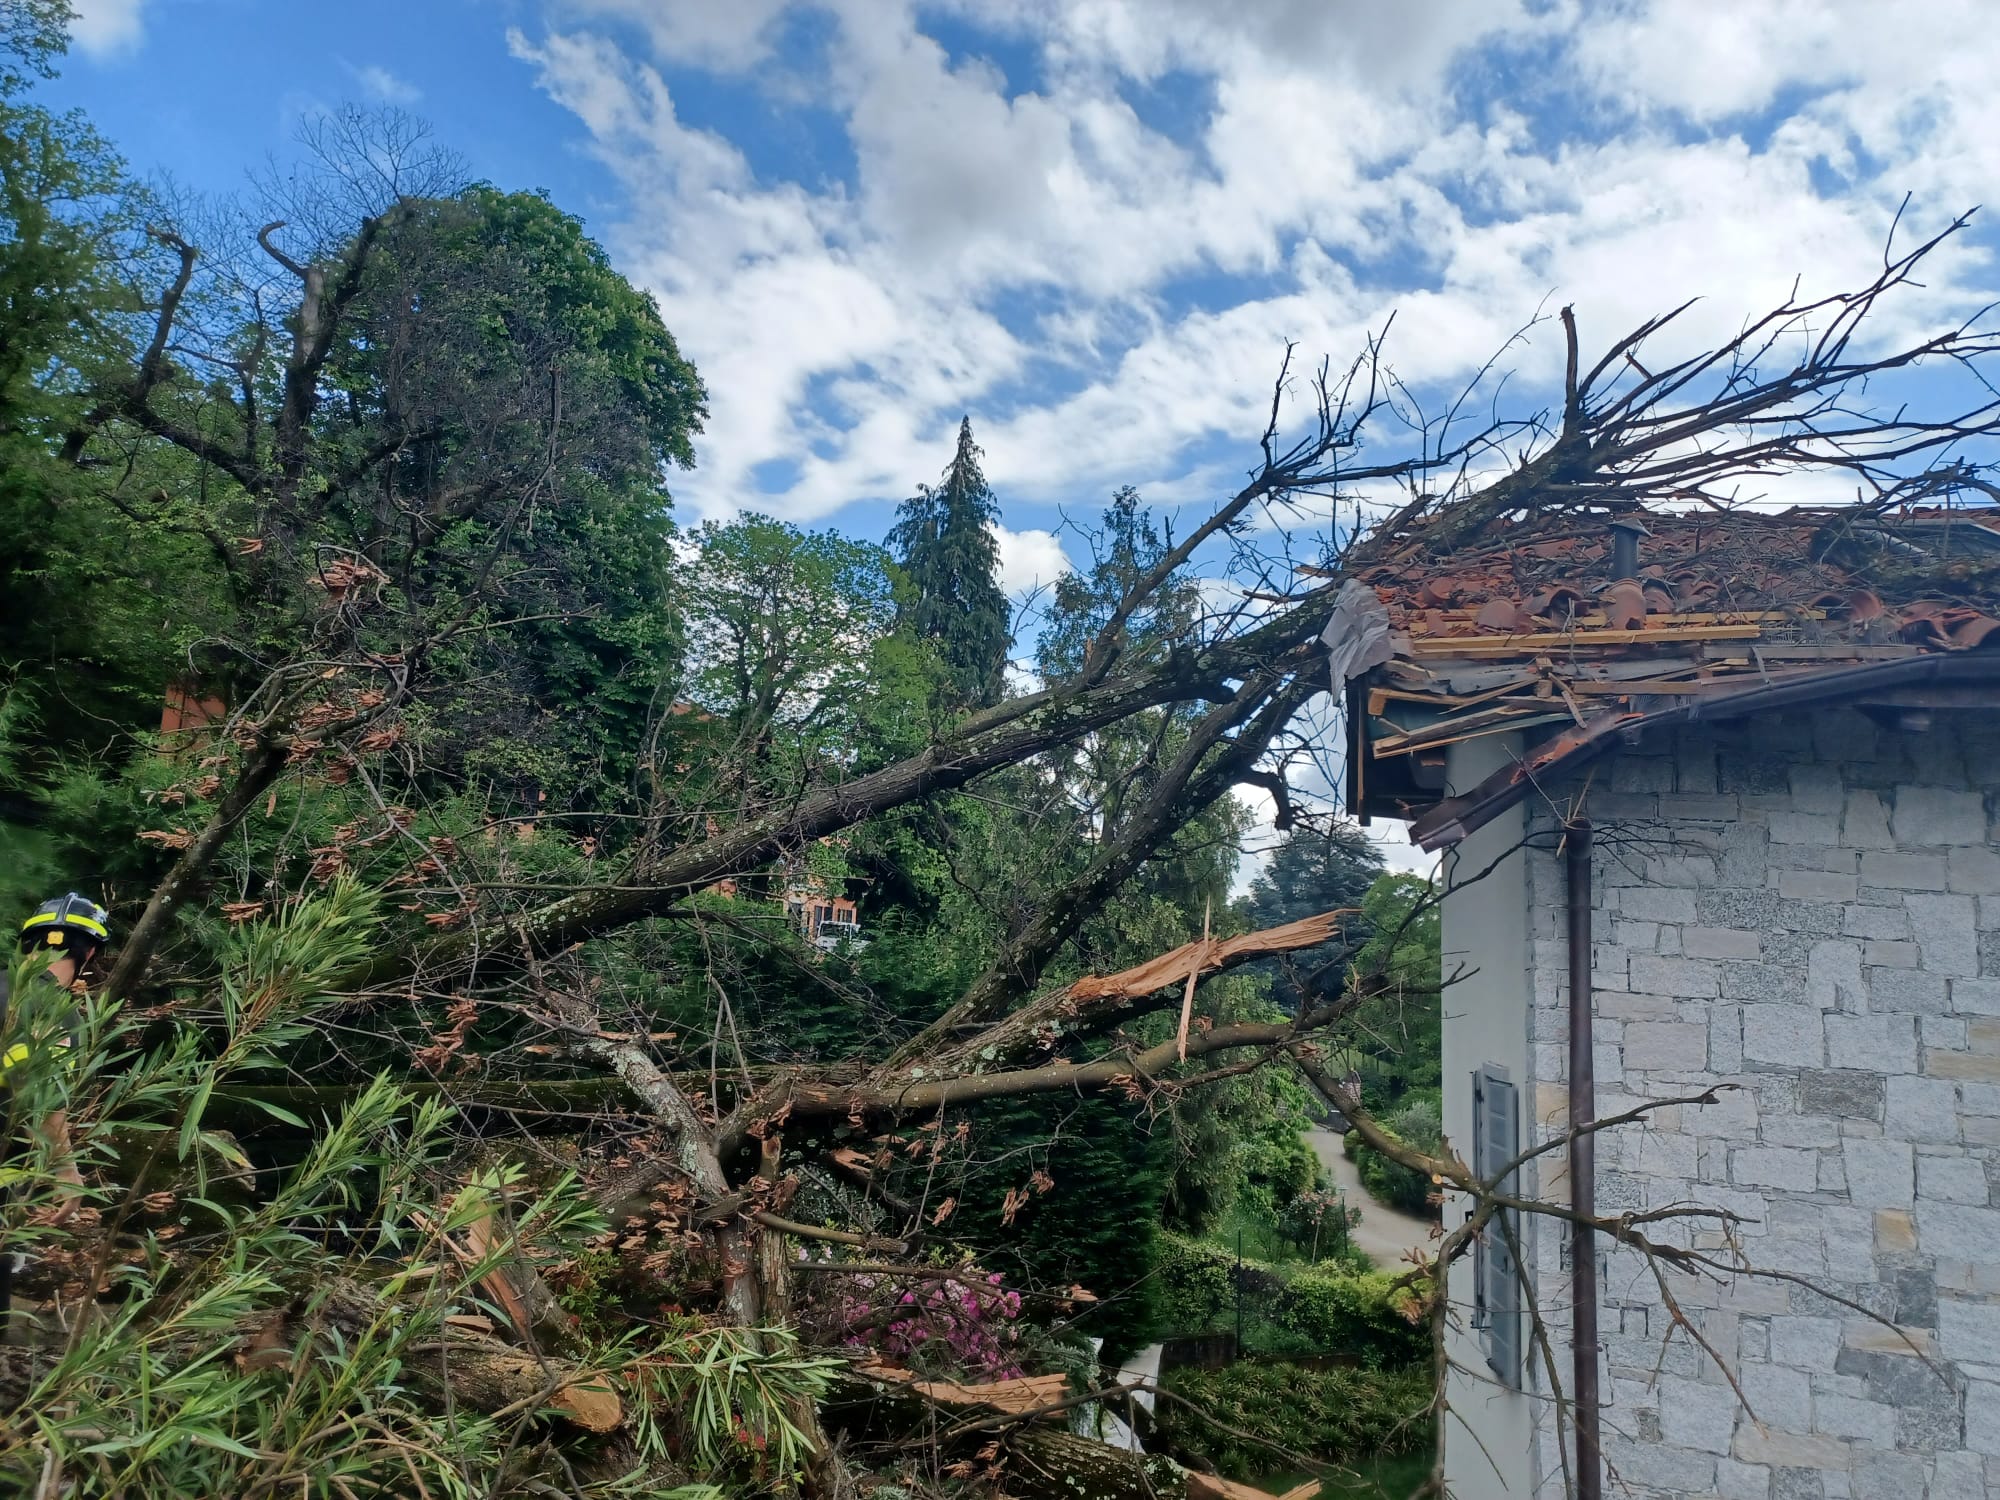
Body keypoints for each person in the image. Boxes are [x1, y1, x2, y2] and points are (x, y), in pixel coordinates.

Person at [0, 893, 108, 1324]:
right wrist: (67, 1173)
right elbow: (41, 1096)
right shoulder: (57, 1013)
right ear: (91, 953)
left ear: (30, 942)